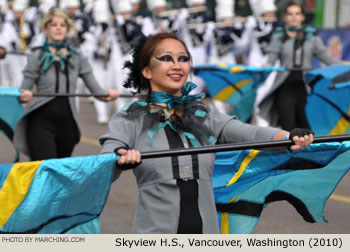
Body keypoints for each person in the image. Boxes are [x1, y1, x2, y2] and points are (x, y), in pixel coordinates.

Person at [99, 32, 314, 234]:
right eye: (167, 58)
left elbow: (249, 133)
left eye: (183, 59)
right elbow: (105, 163)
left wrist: (288, 137)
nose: (177, 65)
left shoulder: (203, 113)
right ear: (146, 71)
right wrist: (119, 161)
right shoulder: (130, 116)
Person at [13, 8, 119, 161]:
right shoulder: (37, 55)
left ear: (68, 29)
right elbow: (25, 88)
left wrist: (107, 94)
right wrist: (24, 95)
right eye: (53, 25)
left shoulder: (77, 56)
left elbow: (95, 89)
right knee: (46, 169)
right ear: (45, 28)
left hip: (68, 124)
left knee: (60, 174)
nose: (58, 28)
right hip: (41, 123)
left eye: (62, 25)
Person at [258, 1, 343, 131]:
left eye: (297, 14)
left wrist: (344, 64)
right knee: (288, 129)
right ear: (285, 17)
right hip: (284, 87)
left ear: (303, 17)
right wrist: (266, 65)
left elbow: (328, 59)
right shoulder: (279, 35)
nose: (294, 17)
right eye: (290, 14)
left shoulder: (311, 36)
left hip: (306, 88)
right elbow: (271, 58)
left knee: (308, 127)